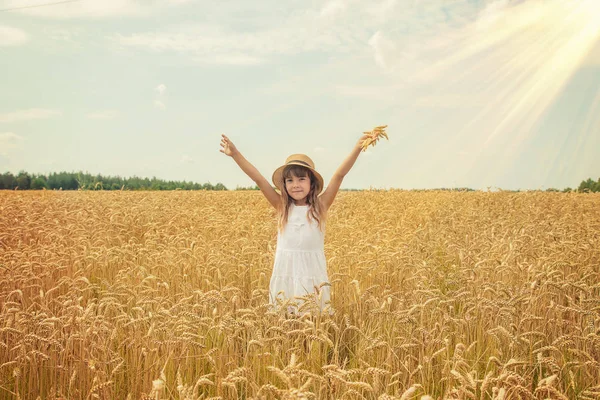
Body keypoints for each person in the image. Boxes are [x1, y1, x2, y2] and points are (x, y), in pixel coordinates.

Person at [220, 133, 371, 314]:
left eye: (301, 179)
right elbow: (258, 179)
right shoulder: (282, 206)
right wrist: (235, 153)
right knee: (285, 320)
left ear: (311, 183)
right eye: (289, 180)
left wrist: (357, 148)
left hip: (312, 276)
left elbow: (339, 175)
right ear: (284, 185)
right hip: (286, 273)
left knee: (312, 322)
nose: (295, 185)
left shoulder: (320, 206)